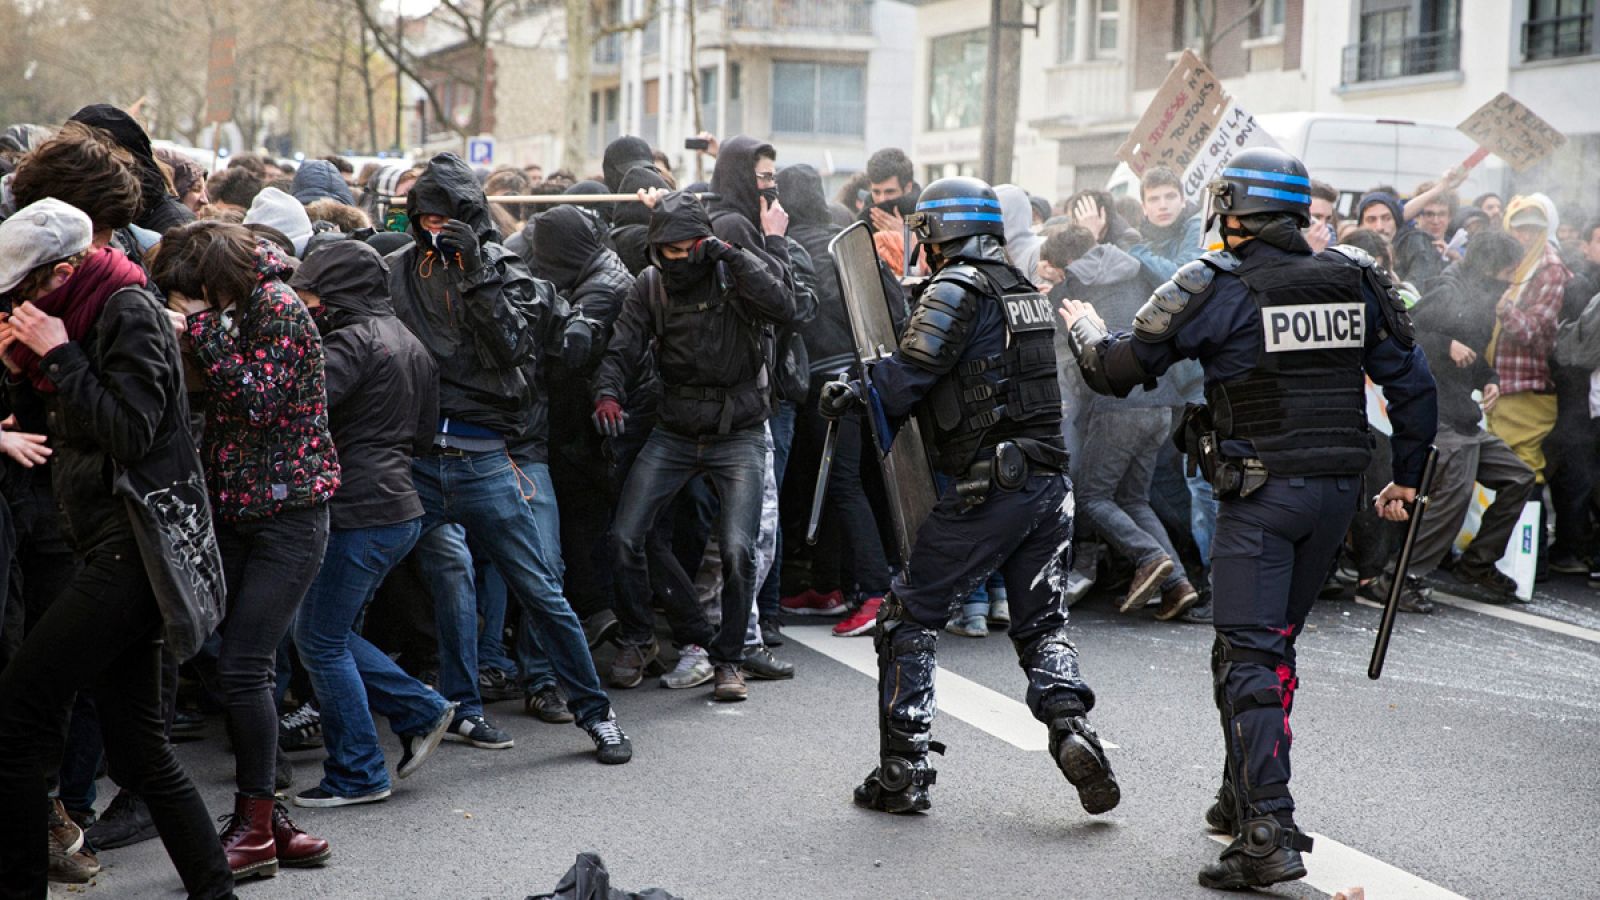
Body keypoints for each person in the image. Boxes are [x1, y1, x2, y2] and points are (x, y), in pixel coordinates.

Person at [1059, 147, 1437, 889]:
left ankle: (1267, 830)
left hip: (1262, 498)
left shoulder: (1215, 282)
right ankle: (1244, 795)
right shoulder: (1356, 276)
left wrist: (1080, 327)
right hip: (1335, 496)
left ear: (1234, 213)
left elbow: (1118, 368)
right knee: (1265, 647)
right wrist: (1409, 481)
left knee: (1251, 654)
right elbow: (1415, 385)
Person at [819, 176, 1118, 818]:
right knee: (1042, 626)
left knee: (909, 616)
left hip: (991, 487)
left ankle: (903, 771)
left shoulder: (956, 287)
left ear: (938, 232)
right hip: (1048, 488)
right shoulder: (1021, 289)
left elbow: (910, 374)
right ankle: (1072, 729)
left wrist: (856, 392)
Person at [0, 187, 236, 897]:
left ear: (63, 275)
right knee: (139, 751)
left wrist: (60, 356)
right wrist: (25, 377)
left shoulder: (127, 309)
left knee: (16, 715)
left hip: (132, 549)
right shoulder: (74, 315)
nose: (13, 306)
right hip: (101, 542)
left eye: (20, 292)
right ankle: (214, 890)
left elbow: (132, 432)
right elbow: (60, 431)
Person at [388, 152, 633, 764]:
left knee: (541, 586)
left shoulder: (502, 269)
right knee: (422, 584)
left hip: (484, 455)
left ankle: (595, 713)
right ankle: (460, 709)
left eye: (448, 217)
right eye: (426, 217)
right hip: (418, 456)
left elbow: (512, 349)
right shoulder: (395, 270)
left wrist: (475, 272)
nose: (436, 228)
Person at [152, 222, 338, 879]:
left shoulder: (278, 307)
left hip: (290, 515)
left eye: (188, 293)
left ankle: (258, 825)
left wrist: (196, 329)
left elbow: (258, 401)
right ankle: (270, 817)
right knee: (226, 661)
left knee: (245, 666)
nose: (183, 304)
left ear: (211, 279)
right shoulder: (238, 309)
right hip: (237, 509)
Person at [591, 191, 799, 701]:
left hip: (740, 431)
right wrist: (607, 393)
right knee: (624, 536)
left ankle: (728, 660)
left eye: (689, 249)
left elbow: (785, 306)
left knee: (737, 550)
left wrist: (733, 255)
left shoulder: (732, 272)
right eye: (670, 250)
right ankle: (639, 638)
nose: (679, 259)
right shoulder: (650, 285)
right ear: (656, 249)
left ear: (704, 242)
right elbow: (622, 346)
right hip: (675, 429)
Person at [286, 239, 459, 808]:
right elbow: (424, 431)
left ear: (334, 292)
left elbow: (302, 412)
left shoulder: (350, 343)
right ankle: (419, 708)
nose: (305, 305)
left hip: (361, 508)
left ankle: (360, 770)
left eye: (311, 293)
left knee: (320, 638)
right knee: (325, 633)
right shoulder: (408, 340)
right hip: (395, 504)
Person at [1048, 224, 1199, 619]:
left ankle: (1149, 557)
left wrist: (1050, 288)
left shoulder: (1074, 284)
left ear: (1065, 264)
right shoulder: (1136, 269)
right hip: (1161, 401)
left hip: (1118, 405)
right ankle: (1177, 585)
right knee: (1133, 498)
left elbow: (1052, 332)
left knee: (1093, 498)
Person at [1381, 231, 1533, 605]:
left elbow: (1473, 357)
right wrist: (1443, 343)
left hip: (1464, 414)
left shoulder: (1481, 297)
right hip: (1435, 413)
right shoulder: (1450, 290)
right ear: (1490, 267)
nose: (1510, 281)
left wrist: (1490, 379)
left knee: (1519, 476)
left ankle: (1478, 564)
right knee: (1457, 490)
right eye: (1508, 271)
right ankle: (1403, 575)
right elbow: (1404, 333)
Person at [1128, 166, 1204, 288]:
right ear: (1144, 208)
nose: (1163, 205)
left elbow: (1184, 279)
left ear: (1183, 200)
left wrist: (1136, 252)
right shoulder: (1143, 240)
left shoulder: (1199, 228)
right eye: (1154, 199)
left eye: (1170, 197)